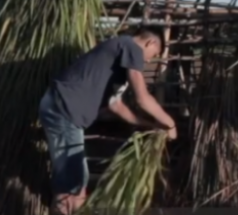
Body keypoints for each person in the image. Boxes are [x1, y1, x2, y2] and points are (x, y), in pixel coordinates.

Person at [39, 28, 177, 215]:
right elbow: (142, 98)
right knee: (73, 186)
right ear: (150, 43)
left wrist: (149, 126)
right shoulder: (130, 46)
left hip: (62, 109)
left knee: (74, 180)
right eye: (155, 54)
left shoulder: (116, 58)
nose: (150, 60)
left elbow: (115, 105)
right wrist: (170, 124)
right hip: (64, 109)